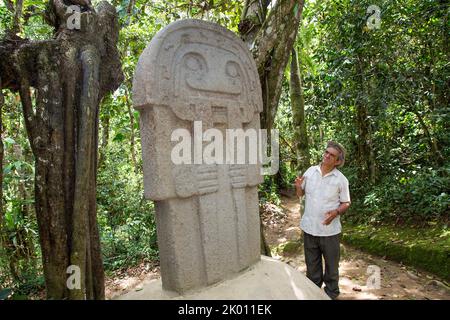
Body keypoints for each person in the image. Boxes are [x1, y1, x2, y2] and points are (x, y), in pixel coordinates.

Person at [294, 141, 351, 299]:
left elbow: (346, 202)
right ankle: (313, 294)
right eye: (326, 152)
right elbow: (300, 194)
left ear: (337, 161)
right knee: (312, 267)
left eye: (331, 155)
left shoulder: (341, 179)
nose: (326, 156)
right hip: (309, 228)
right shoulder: (311, 171)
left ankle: (331, 294)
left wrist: (336, 212)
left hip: (329, 231)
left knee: (332, 268)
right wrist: (299, 186)